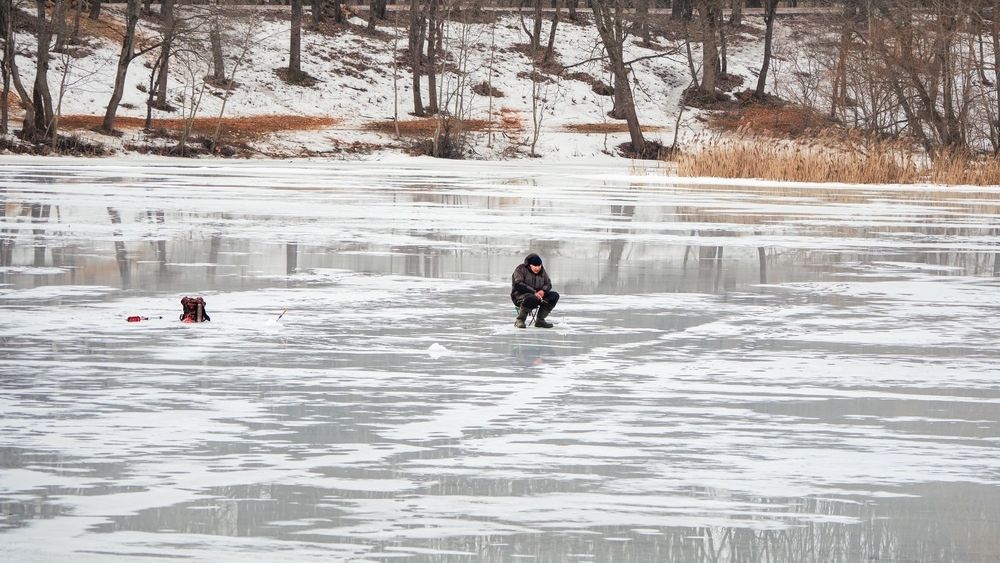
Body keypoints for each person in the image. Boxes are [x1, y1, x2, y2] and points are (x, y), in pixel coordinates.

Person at [510, 253, 559, 329]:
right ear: (529, 265)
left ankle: (540, 320)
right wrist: (534, 292)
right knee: (531, 298)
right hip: (520, 296)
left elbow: (548, 283)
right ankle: (520, 320)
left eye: (539, 266)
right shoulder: (520, 269)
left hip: (538, 296)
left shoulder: (542, 271)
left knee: (554, 296)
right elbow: (518, 284)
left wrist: (543, 291)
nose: (537, 268)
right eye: (535, 266)